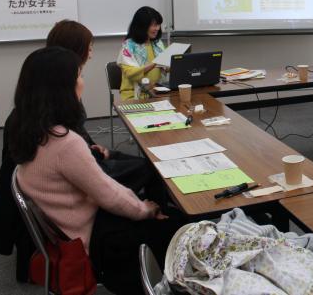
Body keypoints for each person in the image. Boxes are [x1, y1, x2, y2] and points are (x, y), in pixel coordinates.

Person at [10, 47, 183, 294]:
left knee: (150, 199)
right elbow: (108, 194)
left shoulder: (28, 128)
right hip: (92, 238)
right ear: (62, 89)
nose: (82, 82)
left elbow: (103, 188)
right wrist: (144, 209)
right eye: (78, 76)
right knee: (177, 224)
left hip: (70, 227)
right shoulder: (64, 143)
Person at [117, 6, 167, 100]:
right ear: (141, 26)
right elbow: (131, 73)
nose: (157, 28)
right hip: (134, 95)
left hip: (156, 92)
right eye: (153, 25)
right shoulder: (128, 46)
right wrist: (155, 63)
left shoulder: (158, 44)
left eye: (158, 25)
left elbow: (166, 68)